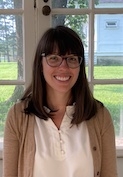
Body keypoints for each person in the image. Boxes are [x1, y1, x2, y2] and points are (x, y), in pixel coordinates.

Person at [3, 25, 118, 177]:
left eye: (71, 59)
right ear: (40, 64)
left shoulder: (100, 115)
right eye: (54, 58)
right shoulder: (18, 116)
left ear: (80, 65)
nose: (63, 67)